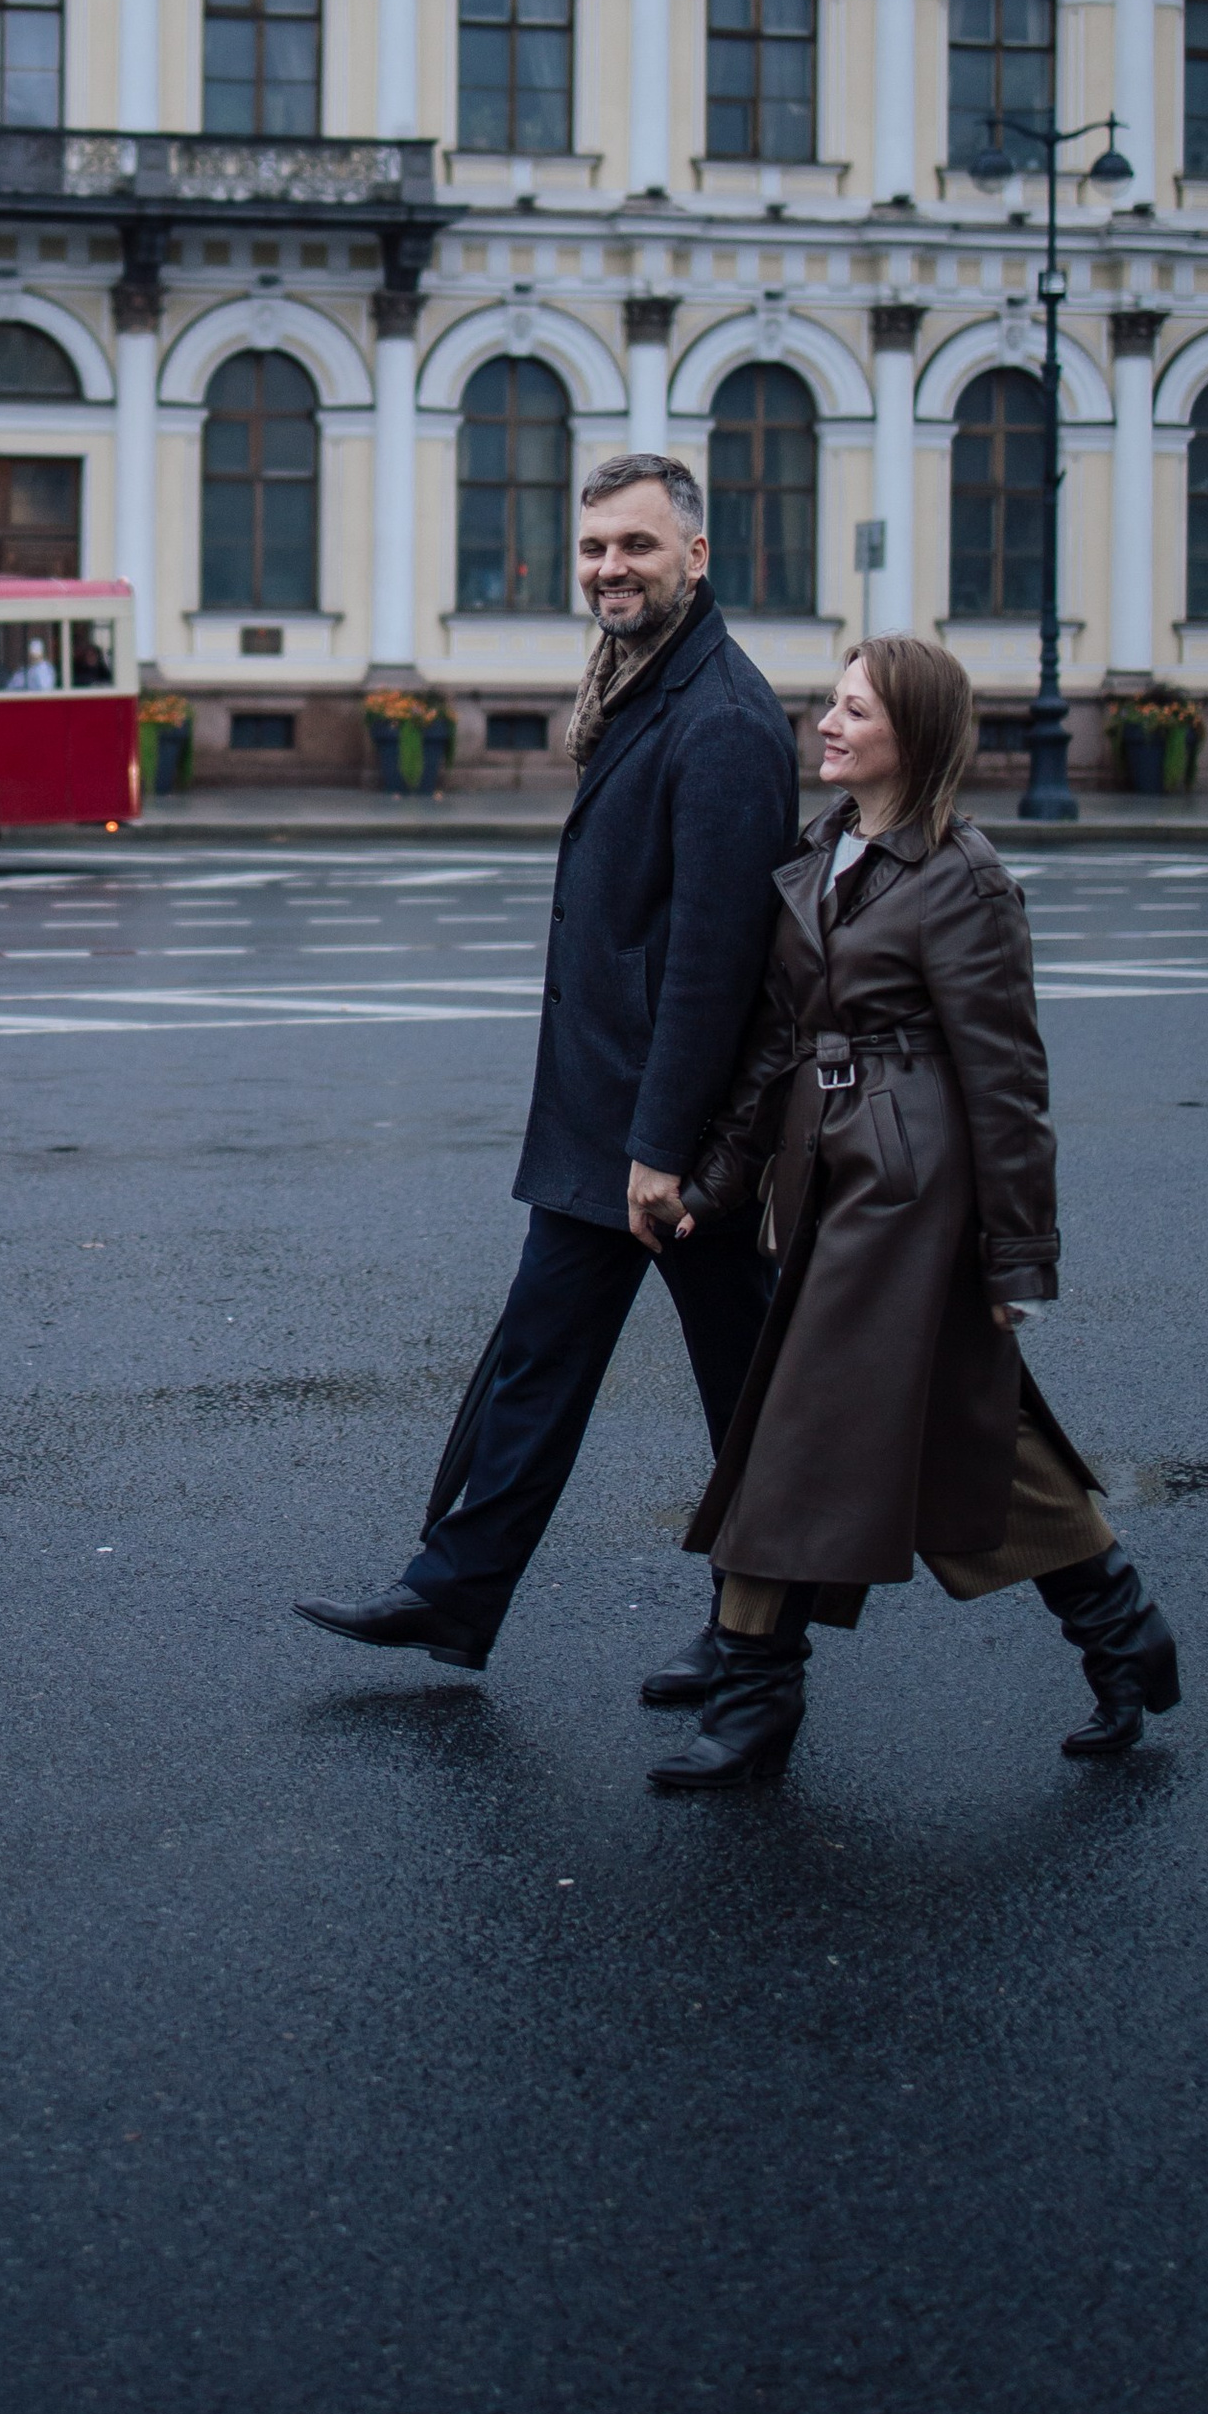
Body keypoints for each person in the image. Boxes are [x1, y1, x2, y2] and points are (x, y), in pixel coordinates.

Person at [643, 633, 1182, 1792]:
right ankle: (1122, 1633)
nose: (826, 726)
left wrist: (1016, 1260)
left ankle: (754, 1693)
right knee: (966, 1426)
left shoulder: (961, 875)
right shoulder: (819, 853)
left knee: (794, 1431)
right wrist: (715, 1183)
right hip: (826, 1177)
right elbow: (777, 1044)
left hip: (910, 1189)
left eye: (854, 711)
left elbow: (1007, 1079)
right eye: (828, 705)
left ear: (915, 735)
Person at [295, 452, 799, 1675]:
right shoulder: (637, 685)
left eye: (633, 546)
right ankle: (454, 1591)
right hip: (605, 1123)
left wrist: (663, 1152)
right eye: (592, 549)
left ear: (694, 556)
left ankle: (761, 1645)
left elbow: (712, 968)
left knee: (752, 1398)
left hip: (670, 1145)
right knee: (536, 1364)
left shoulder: (723, 718)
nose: (608, 569)